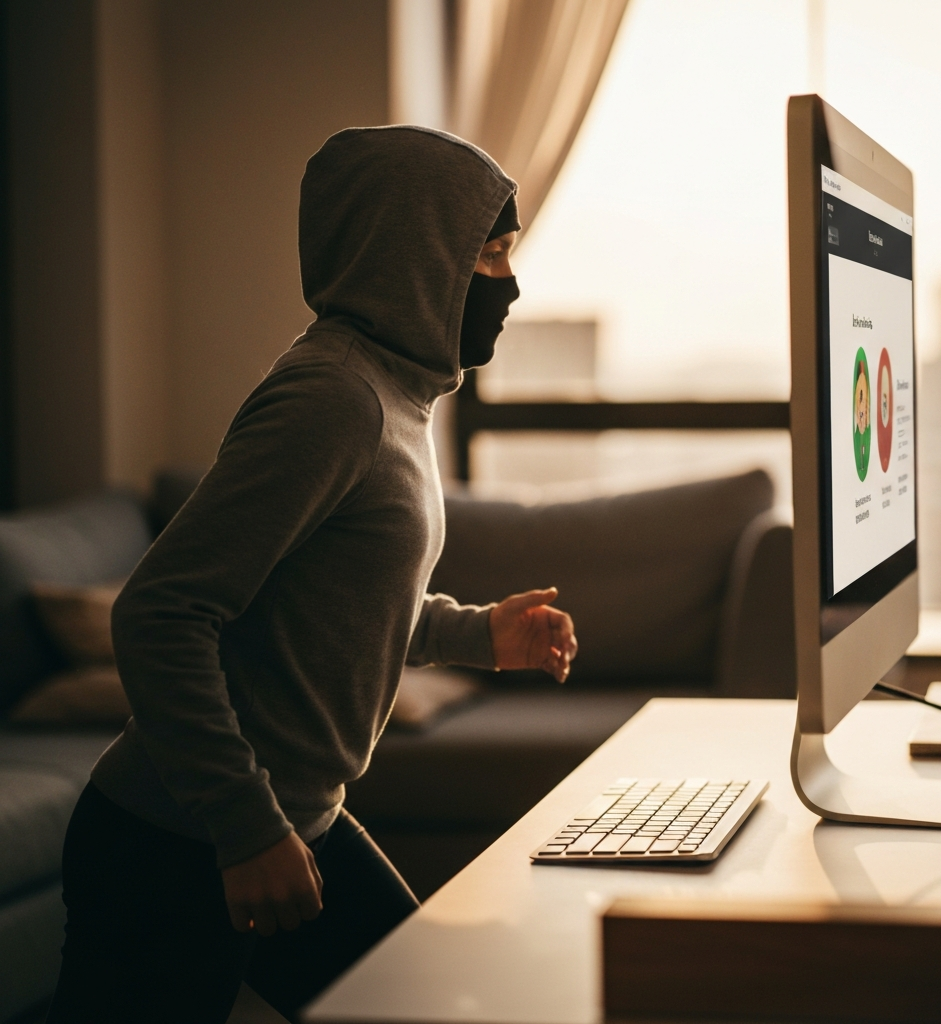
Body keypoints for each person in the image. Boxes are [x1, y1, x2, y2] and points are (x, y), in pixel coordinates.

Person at [46, 126, 578, 1024]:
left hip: (291, 820)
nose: (510, 285)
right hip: (173, 842)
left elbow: (338, 604)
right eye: (489, 255)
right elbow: (161, 611)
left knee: (426, 1006)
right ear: (419, 257)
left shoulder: (401, 395)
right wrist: (244, 825)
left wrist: (478, 631)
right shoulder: (334, 398)